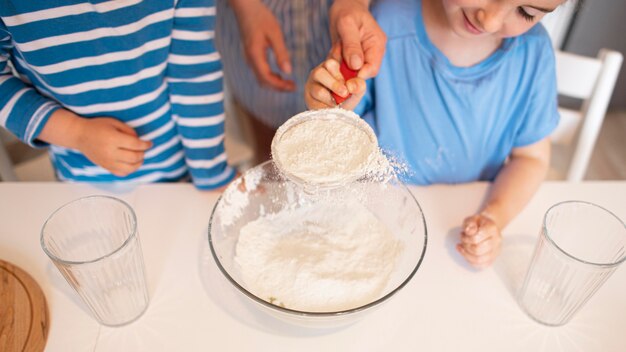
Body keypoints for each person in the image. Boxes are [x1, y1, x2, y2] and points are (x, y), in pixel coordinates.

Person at [305, 0, 565, 268]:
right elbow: (336, 135)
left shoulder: (533, 53)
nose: (490, 21)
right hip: (376, 223)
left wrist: (495, 217)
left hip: (455, 230)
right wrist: (329, 106)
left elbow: (531, 159)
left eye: (527, 13)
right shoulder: (382, 25)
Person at [0, 0, 234, 189]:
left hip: (177, 174)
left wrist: (211, 174)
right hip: (80, 181)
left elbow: (193, 77)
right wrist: (77, 133)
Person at [215, 0, 386, 164]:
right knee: (269, 154)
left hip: (338, 32)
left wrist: (354, 2)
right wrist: (247, 7)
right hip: (251, 41)